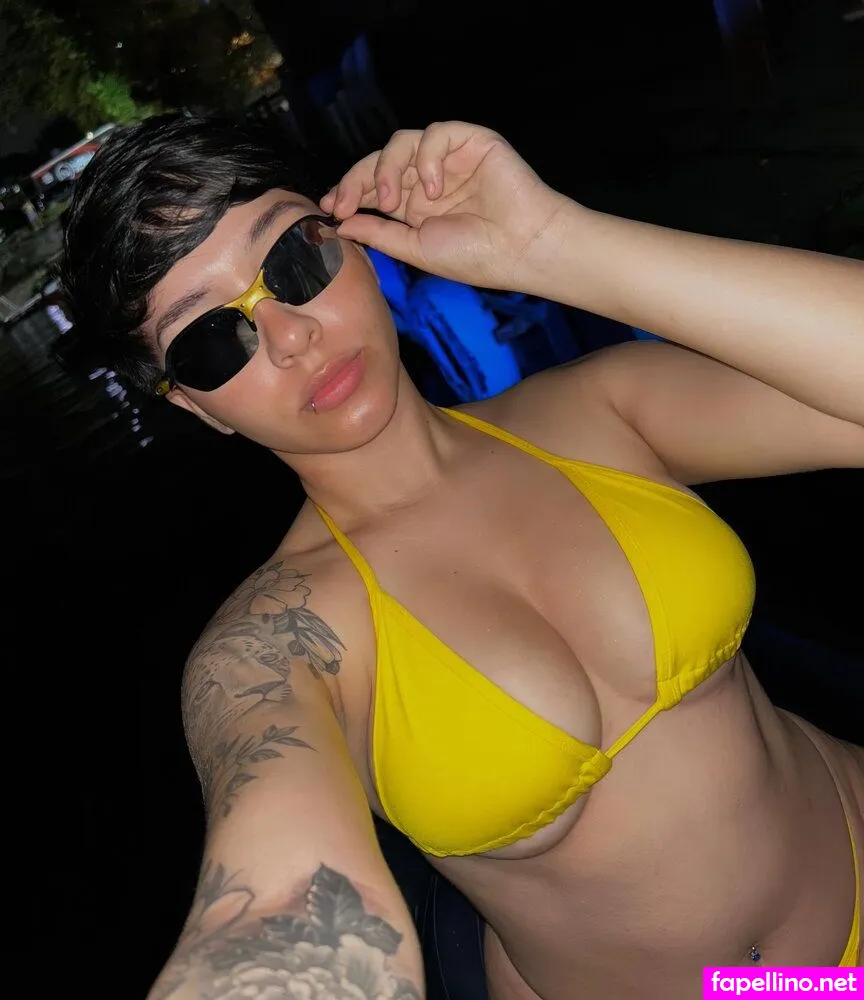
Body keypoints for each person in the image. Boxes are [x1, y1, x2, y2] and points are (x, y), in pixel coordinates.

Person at [60, 115, 863, 1000]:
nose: (290, 336)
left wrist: (554, 245)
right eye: (213, 339)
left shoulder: (594, 413)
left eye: (291, 260)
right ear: (196, 405)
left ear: (349, 236)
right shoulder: (274, 646)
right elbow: (279, 903)